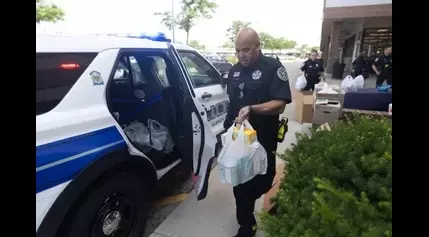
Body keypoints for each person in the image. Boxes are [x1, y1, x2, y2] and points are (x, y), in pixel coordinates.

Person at [224, 27, 292, 237]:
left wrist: (253, 109)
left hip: (264, 136)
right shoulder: (234, 71)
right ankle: (247, 225)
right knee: (239, 182)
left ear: (257, 47)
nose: (241, 55)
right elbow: (232, 103)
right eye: (238, 50)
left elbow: (280, 104)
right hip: (241, 139)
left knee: (263, 178)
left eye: (246, 49)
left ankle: (250, 201)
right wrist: (229, 132)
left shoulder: (272, 68)